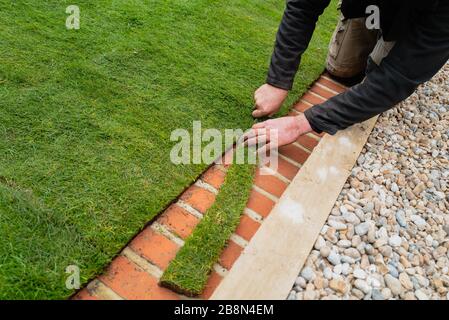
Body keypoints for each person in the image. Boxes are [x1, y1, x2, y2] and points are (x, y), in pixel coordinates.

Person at [247, 0, 449, 150]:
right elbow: (302, 8)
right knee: (341, 70)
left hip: (412, 24)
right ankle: (369, 19)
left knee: (376, 74)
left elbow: (396, 80)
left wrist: (299, 124)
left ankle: (389, 37)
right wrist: (278, 81)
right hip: (369, 7)